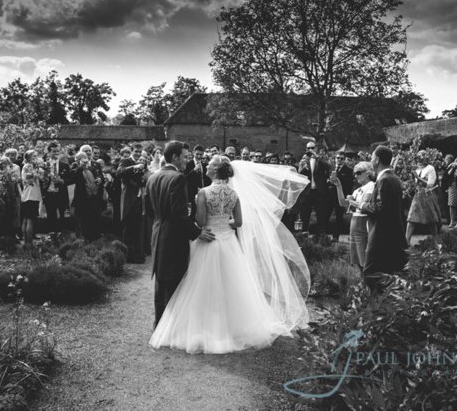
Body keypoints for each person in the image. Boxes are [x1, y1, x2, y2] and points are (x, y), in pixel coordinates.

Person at [149, 154, 310, 353]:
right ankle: (232, 327)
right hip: (228, 242)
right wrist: (225, 224)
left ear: (215, 170)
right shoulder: (234, 194)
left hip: (209, 240)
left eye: (209, 165)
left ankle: (205, 327)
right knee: (231, 285)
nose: (205, 166)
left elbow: (200, 221)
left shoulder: (204, 193)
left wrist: (206, 221)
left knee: (202, 285)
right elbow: (239, 222)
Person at [146, 141, 215, 327]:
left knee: (161, 282)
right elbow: (179, 215)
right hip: (173, 237)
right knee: (174, 282)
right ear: (175, 157)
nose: (187, 160)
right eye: (184, 156)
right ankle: (171, 329)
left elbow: (149, 210)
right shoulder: (178, 178)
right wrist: (197, 232)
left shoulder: (153, 177)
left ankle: (159, 325)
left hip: (157, 233)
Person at [363, 145, 408, 293]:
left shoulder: (385, 180)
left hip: (382, 234)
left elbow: (382, 208)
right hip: (391, 232)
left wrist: (363, 205)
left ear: (377, 160)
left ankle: (388, 295)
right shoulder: (393, 178)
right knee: (386, 269)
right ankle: (387, 303)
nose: (370, 160)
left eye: (372, 157)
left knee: (370, 273)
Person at [330, 160, 375, 268]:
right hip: (354, 223)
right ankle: (362, 282)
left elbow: (364, 202)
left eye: (359, 172)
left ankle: (367, 283)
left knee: (364, 257)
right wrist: (338, 185)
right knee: (356, 259)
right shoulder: (357, 190)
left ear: (368, 173)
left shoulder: (371, 186)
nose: (356, 176)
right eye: (354, 173)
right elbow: (343, 203)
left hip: (363, 223)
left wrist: (351, 201)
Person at [405, 150, 441, 240]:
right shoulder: (417, 169)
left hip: (427, 195)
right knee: (411, 219)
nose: (423, 158)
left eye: (425, 156)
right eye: (421, 156)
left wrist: (418, 178)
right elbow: (415, 183)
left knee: (431, 220)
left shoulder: (430, 168)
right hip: (417, 196)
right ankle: (406, 242)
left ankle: (436, 241)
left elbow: (430, 185)